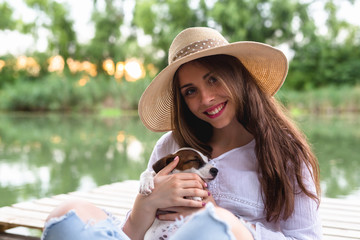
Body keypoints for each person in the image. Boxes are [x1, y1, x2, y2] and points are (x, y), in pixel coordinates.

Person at [41, 27, 322, 240]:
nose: (206, 98)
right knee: (67, 215)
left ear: (237, 76)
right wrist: (145, 203)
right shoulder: (173, 146)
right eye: (190, 91)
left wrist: (227, 222)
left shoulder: (286, 154)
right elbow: (135, 232)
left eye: (213, 78)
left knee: (212, 227)